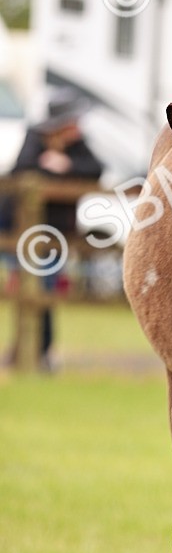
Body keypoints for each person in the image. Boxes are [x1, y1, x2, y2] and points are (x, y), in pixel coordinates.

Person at [6, 96, 103, 367]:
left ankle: (37, 352)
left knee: (42, 289)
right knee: (30, 288)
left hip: (53, 234)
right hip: (22, 229)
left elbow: (95, 169)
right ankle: (31, 352)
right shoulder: (36, 139)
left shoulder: (77, 147)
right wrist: (45, 164)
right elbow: (21, 172)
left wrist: (65, 165)